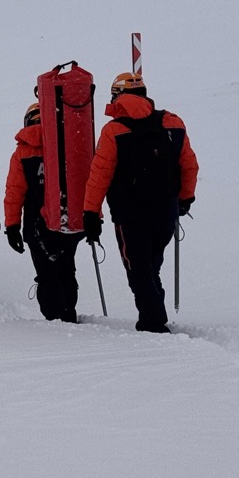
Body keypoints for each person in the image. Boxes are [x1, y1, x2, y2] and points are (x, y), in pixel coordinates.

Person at [83, 72, 198, 333]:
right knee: (151, 265)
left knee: (138, 269)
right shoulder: (173, 123)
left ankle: (153, 322)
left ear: (117, 97)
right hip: (166, 210)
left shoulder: (114, 131)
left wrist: (91, 212)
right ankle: (155, 314)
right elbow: (189, 164)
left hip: (130, 214)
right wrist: (185, 198)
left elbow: (99, 175)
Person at [4, 102, 81, 322]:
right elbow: (83, 182)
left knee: (46, 272)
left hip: (36, 225)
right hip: (68, 221)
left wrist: (12, 226)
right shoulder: (68, 145)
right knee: (67, 268)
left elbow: (14, 193)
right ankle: (68, 312)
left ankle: (53, 317)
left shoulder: (22, 153)